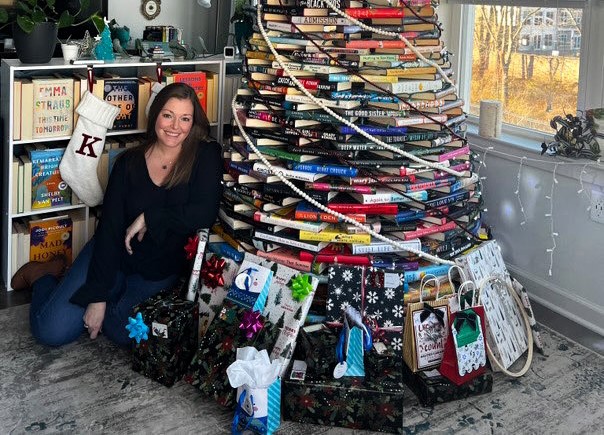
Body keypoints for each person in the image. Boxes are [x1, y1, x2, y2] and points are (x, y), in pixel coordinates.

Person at [11, 83, 223, 347]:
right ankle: (43, 274)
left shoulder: (205, 154)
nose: (175, 126)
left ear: (193, 122)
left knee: (124, 333)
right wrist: (97, 296)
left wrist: (149, 217)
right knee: (51, 331)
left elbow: (203, 213)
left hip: (156, 271)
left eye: (185, 118)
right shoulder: (129, 162)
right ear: (156, 115)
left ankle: (91, 294)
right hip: (112, 257)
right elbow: (109, 230)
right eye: (168, 115)